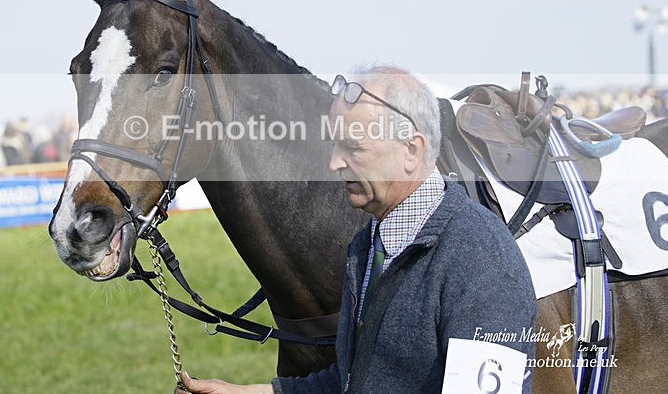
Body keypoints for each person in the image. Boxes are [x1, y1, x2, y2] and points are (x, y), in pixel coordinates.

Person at [177, 67, 537, 393]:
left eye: (353, 147)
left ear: (412, 150)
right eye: (335, 144)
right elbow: (353, 381)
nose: (334, 162)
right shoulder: (368, 243)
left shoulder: (483, 261)